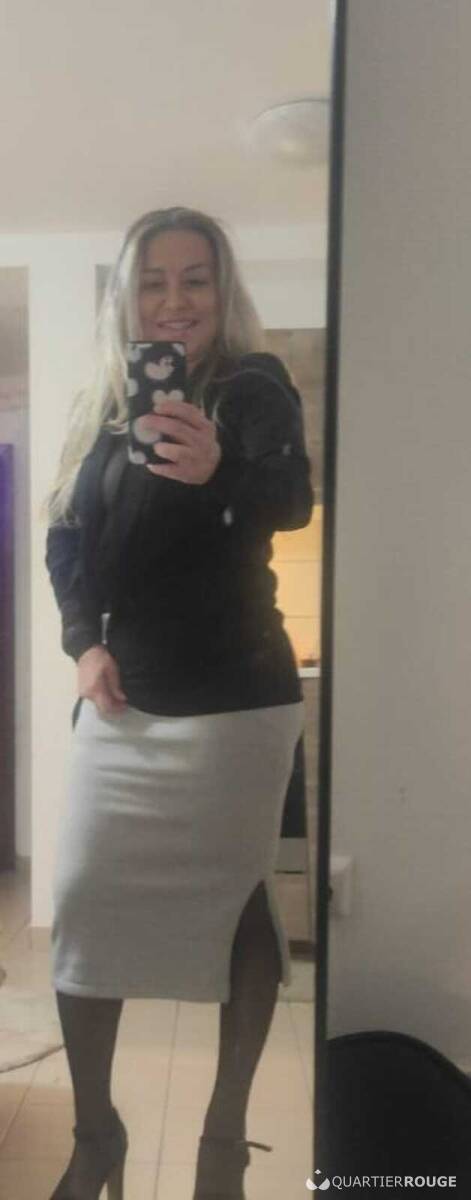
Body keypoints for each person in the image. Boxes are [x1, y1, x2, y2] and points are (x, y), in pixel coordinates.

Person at [45, 206, 314, 1200]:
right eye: (152, 282)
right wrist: (84, 643)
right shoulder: (105, 407)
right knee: (81, 902)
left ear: (221, 290)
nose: (174, 300)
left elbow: (291, 501)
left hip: (238, 704)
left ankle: (223, 1142)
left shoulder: (252, 385)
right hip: (126, 702)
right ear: (127, 299)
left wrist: (219, 473)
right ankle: (98, 1135)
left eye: (194, 279)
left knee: (240, 902)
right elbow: (64, 540)